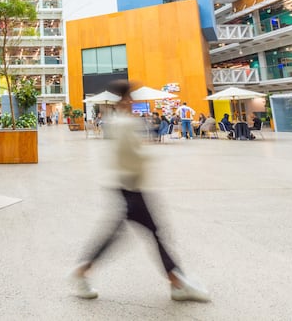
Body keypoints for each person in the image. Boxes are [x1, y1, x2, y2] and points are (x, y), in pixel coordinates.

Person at [68, 80, 210, 303]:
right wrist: (148, 155)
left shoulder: (116, 122)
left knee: (133, 233)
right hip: (131, 187)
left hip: (126, 186)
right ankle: (178, 284)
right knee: (154, 232)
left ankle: (82, 271)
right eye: (129, 98)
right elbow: (131, 158)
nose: (132, 102)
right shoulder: (123, 124)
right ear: (122, 101)